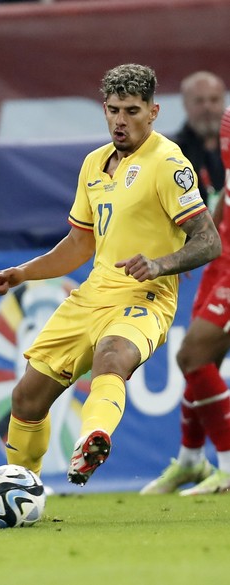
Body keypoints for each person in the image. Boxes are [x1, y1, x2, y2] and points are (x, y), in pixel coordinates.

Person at [0, 63, 220, 492]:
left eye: (132, 111)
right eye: (113, 110)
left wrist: (160, 265)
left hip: (146, 296)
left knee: (112, 357)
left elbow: (209, 241)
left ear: (153, 112)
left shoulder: (168, 163)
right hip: (92, 295)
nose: (120, 120)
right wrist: (23, 273)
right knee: (25, 399)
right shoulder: (94, 163)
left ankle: (94, 437)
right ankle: (23, 490)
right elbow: (78, 245)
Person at [140, 106, 230, 496]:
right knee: (201, 362)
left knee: (191, 356)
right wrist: (198, 241)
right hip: (221, 260)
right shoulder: (226, 124)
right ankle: (192, 461)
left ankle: (227, 467)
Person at [174, 71, 226, 211]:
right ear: (185, 104)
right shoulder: (172, 153)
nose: (207, 107)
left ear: (223, 102)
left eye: (214, 99)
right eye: (199, 101)